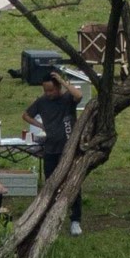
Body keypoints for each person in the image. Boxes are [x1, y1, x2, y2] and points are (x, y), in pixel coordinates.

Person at [27, 70, 85, 235]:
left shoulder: (67, 99)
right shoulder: (42, 102)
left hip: (69, 149)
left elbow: (79, 95)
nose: (48, 93)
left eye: (51, 90)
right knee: (50, 183)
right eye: (45, 90)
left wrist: (64, 82)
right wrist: (40, 126)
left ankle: (75, 220)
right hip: (50, 149)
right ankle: (49, 217)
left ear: (59, 87)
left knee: (73, 183)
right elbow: (26, 115)